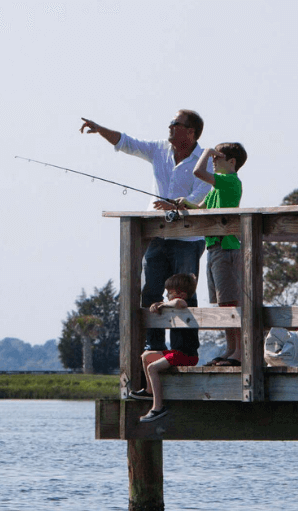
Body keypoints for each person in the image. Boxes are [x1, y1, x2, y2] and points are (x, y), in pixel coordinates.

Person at [80, 111, 213, 356]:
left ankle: (184, 349)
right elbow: (127, 143)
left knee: (183, 295)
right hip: (157, 236)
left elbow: (201, 196)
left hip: (188, 239)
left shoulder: (205, 161)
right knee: (150, 291)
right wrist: (100, 129)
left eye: (176, 124)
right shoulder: (159, 149)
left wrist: (178, 204)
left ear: (191, 132)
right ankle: (155, 346)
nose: (170, 126)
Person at [176, 142, 248, 366]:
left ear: (232, 162)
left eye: (218, 157)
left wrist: (206, 151)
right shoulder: (217, 188)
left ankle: (240, 352)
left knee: (232, 302)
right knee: (223, 304)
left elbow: (198, 172)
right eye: (213, 156)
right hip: (215, 248)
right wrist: (184, 204)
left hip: (227, 248)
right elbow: (201, 209)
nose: (214, 160)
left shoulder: (230, 181)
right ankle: (230, 349)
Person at [127, 273, 198, 422]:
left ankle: (158, 407)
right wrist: (158, 305)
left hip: (187, 355)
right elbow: (174, 303)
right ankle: (149, 390)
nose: (166, 296)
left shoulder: (186, 304)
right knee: (146, 356)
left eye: (169, 293)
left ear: (181, 294)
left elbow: (180, 303)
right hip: (176, 353)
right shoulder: (175, 306)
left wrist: (163, 304)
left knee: (152, 367)